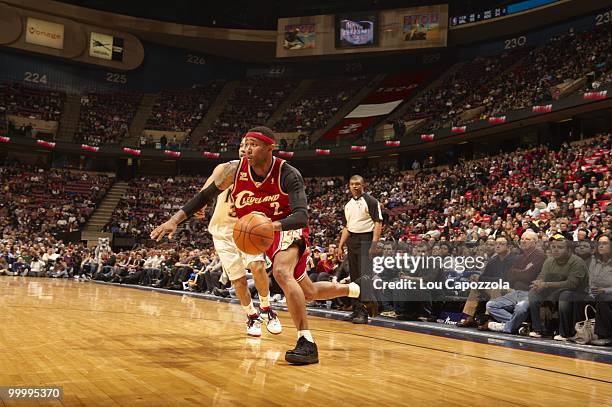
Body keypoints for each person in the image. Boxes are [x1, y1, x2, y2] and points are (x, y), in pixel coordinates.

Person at [151, 126, 360, 365]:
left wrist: (268, 226)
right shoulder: (233, 170)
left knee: (281, 272)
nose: (247, 149)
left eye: (254, 144)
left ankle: (306, 342)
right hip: (263, 236)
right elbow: (203, 197)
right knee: (309, 292)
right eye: (245, 143)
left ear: (271, 147)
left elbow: (301, 216)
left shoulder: (288, 173)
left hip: (288, 229)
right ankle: (356, 290)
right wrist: (173, 220)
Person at [202, 138, 281, 337]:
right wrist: (201, 205)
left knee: (258, 267)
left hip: (248, 229)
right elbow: (206, 190)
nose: (245, 149)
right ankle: (252, 316)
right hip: (222, 232)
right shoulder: (224, 168)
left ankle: (266, 308)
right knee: (238, 280)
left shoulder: (262, 174)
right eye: (242, 146)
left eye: (250, 146)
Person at [336, 175, 383, 324]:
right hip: (352, 240)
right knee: (355, 277)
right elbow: (347, 227)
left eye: (357, 184)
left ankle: (365, 311)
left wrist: (374, 244)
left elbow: (378, 224)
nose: (354, 186)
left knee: (364, 277)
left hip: (366, 239)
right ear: (349, 186)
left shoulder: (371, 201)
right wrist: (340, 245)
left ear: (363, 185)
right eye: (352, 184)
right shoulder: (348, 205)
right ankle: (356, 309)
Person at [528, 235, 589, 339]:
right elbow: (542, 276)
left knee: (565, 295)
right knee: (533, 293)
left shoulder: (577, 262)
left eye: (560, 248)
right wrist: (537, 283)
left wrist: (546, 285)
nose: (556, 250)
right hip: (555, 291)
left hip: (578, 293)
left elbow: (572, 284)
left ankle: (565, 333)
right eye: (553, 247)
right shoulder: (549, 261)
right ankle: (538, 329)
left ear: (569, 250)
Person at [486, 231, 546, 333]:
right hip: (516, 291)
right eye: (522, 239)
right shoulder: (521, 256)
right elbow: (509, 275)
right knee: (491, 305)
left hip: (530, 293)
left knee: (520, 308)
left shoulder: (540, 256)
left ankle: (507, 327)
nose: (523, 241)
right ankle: (520, 325)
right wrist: (521, 272)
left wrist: (517, 272)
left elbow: (529, 276)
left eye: (527, 239)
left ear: (535, 242)